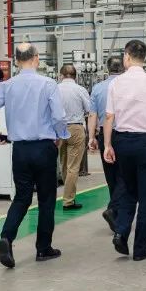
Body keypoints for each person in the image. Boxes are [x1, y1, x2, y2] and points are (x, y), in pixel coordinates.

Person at [0, 43, 69, 269]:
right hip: (44, 148)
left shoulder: (6, 86)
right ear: (36, 58)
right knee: (46, 199)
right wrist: (61, 135)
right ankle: (43, 248)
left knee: (22, 197)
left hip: (19, 150)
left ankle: (6, 237)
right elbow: (59, 116)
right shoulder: (48, 84)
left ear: (17, 61)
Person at [103, 40, 146, 261]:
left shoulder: (116, 83)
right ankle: (141, 248)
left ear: (127, 56)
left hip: (122, 142)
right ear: (144, 58)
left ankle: (121, 232)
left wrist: (107, 145)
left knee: (128, 190)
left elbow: (109, 117)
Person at [87, 56, 124, 232]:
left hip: (104, 134)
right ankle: (114, 210)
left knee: (111, 176)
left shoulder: (97, 88)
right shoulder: (126, 85)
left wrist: (91, 137)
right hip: (124, 133)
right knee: (125, 175)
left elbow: (92, 115)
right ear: (123, 67)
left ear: (107, 69)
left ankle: (115, 212)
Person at [57, 64, 92, 211]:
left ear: (61, 75)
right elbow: (89, 110)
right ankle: (68, 200)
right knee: (73, 167)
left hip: (58, 129)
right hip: (76, 128)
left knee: (64, 164)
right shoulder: (80, 90)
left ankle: (68, 196)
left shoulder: (55, 89)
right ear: (75, 76)